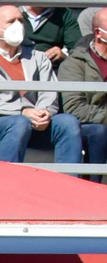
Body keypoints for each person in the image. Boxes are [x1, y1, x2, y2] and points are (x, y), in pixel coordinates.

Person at [0, 5, 85, 165]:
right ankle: (7, 182)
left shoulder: (39, 57)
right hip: (0, 123)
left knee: (68, 122)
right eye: (11, 21)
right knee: (19, 122)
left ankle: (69, 185)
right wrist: (23, 112)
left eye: (21, 21)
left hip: (35, 122)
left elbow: (49, 90)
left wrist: (44, 112)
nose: (18, 26)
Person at [57, 8, 107, 170]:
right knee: (98, 132)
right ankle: (94, 186)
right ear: (99, 33)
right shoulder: (75, 63)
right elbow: (75, 108)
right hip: (91, 124)